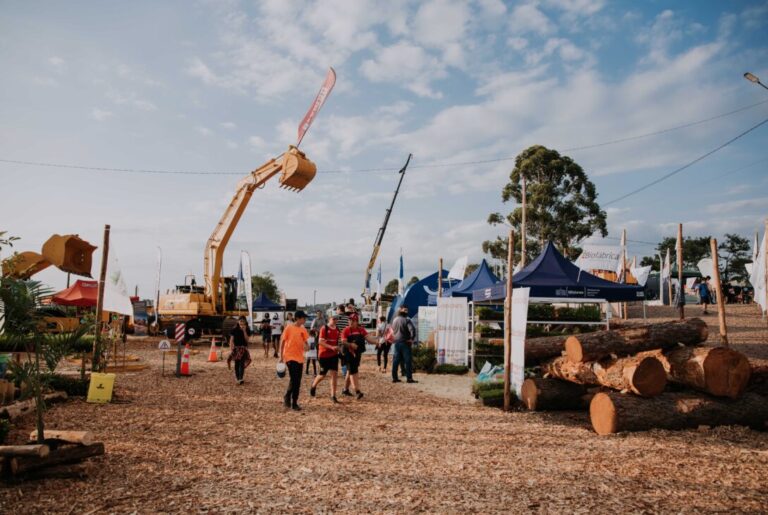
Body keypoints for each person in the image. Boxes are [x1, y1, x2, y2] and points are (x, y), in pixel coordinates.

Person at [339, 313, 378, 399]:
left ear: (357, 322)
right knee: (353, 371)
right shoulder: (346, 330)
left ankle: (345, 390)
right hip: (348, 353)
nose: (351, 322)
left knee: (350, 371)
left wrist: (377, 342)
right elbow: (343, 342)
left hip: (357, 354)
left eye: (353, 320)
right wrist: (351, 345)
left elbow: (369, 339)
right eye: (350, 320)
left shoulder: (361, 330)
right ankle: (357, 391)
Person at [279, 310, 309, 411]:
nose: (305, 320)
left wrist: (307, 347)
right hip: (289, 356)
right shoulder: (289, 327)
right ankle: (294, 403)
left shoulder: (303, 330)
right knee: (295, 379)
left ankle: (287, 396)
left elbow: (306, 343)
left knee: (297, 380)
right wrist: (280, 357)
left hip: (300, 357)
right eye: (303, 318)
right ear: (298, 318)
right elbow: (282, 341)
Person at [310, 314, 342, 403]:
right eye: (333, 319)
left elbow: (338, 342)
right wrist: (331, 347)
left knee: (334, 374)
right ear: (329, 319)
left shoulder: (337, 329)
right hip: (323, 355)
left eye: (337, 319)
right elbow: (320, 342)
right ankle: (313, 385)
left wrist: (339, 349)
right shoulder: (324, 328)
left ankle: (333, 396)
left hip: (334, 355)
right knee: (322, 375)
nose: (335, 320)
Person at [391, 306, 417, 383]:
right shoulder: (407, 320)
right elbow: (412, 330)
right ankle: (409, 378)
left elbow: (392, 330)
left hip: (396, 343)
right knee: (408, 361)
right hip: (405, 343)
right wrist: (411, 339)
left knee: (396, 361)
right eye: (406, 311)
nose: (407, 312)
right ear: (404, 313)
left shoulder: (394, 320)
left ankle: (394, 378)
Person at [227, 316, 252, 385]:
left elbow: (247, 340)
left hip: (243, 348)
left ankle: (241, 378)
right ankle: (237, 377)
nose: (241, 322)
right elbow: (231, 340)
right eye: (240, 321)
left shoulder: (247, 329)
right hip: (236, 348)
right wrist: (231, 348)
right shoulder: (234, 329)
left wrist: (244, 331)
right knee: (237, 364)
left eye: (243, 321)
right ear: (238, 321)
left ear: (245, 322)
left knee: (242, 363)